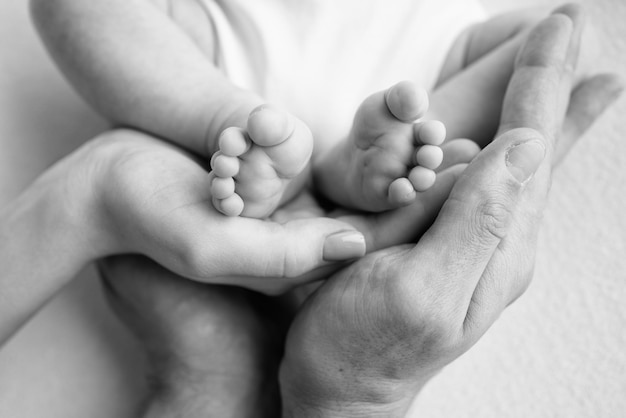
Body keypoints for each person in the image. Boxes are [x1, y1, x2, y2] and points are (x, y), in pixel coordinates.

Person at [1, 4, 621, 416]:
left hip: (420, 62)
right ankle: (234, 123)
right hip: (216, 66)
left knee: (565, 35)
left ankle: (366, 169)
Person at [30, 0, 564, 221]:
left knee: (544, 39)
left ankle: (381, 153)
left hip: (420, 49)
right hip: (228, 49)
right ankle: (229, 121)